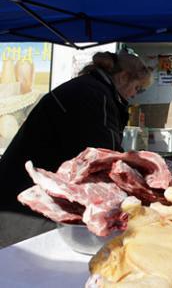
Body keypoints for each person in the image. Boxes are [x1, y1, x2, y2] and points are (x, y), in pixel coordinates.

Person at [0, 51, 152, 248]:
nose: (134, 95)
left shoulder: (90, 88)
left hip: (22, 189)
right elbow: (102, 157)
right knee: (27, 264)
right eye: (137, 88)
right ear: (123, 77)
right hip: (26, 199)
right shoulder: (96, 95)